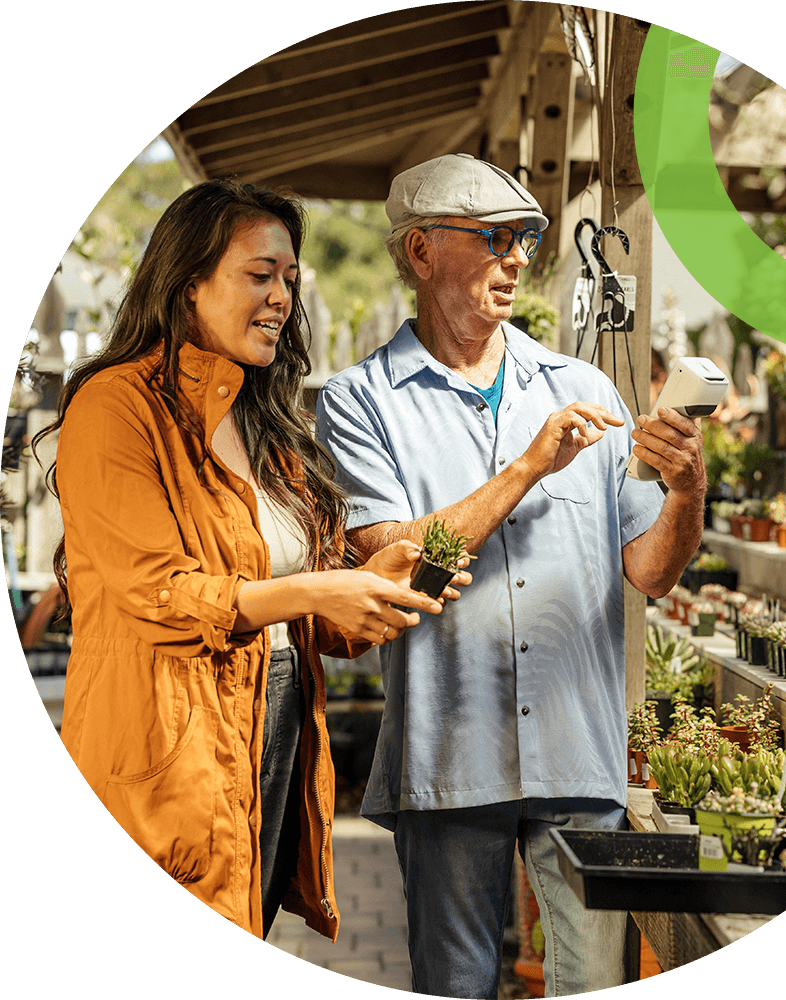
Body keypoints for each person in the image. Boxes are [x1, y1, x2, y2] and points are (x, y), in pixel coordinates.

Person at [315, 153, 706, 997]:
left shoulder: (584, 386)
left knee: (595, 979)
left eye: (526, 237)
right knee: (455, 983)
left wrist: (686, 488)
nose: (519, 256)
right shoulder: (359, 401)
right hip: (450, 752)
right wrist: (528, 467)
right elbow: (393, 563)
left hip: (580, 754)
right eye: (495, 237)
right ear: (421, 252)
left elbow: (652, 571)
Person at [35, 179, 465, 942]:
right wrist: (318, 588)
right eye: (259, 275)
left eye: (291, 281)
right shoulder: (115, 406)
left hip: (278, 722)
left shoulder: (264, 418)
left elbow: (318, 618)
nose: (280, 298)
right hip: (168, 737)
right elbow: (161, 595)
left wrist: (377, 589)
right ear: (189, 282)